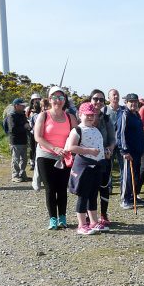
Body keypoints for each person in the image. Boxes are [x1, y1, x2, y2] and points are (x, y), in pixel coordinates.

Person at [34, 86, 78, 230]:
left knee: (62, 188)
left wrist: (67, 149)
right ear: (49, 99)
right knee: (50, 188)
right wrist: (54, 148)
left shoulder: (70, 117)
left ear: (65, 100)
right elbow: (38, 137)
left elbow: (76, 135)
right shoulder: (44, 116)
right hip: (45, 155)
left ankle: (63, 217)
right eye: (54, 98)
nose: (57, 101)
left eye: (61, 98)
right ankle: (53, 218)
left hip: (64, 156)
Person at [65, 102, 106, 235]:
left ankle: (93, 221)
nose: (90, 117)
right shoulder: (77, 130)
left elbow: (98, 146)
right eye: (87, 115)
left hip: (97, 165)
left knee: (93, 194)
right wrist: (88, 150)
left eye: (92, 115)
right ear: (80, 115)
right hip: (84, 165)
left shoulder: (96, 129)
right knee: (83, 195)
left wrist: (104, 153)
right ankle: (82, 224)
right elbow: (70, 147)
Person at [89, 89, 116, 225]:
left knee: (104, 187)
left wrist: (110, 149)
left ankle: (103, 214)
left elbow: (112, 139)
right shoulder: (83, 116)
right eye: (95, 99)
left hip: (104, 159)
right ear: (90, 100)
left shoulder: (106, 118)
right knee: (90, 188)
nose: (98, 102)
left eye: (101, 99)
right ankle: (89, 216)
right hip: (87, 159)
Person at [117, 93, 144, 210]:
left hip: (138, 151)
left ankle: (133, 197)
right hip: (128, 151)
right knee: (127, 176)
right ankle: (124, 199)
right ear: (126, 102)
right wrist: (124, 151)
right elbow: (120, 134)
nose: (133, 104)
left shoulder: (137, 115)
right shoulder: (124, 115)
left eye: (135, 102)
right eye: (131, 102)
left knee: (136, 175)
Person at [105, 88, 126, 186]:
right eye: (113, 95)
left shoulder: (124, 110)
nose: (116, 96)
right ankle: (108, 187)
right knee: (109, 166)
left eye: (117, 94)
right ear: (108, 97)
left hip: (121, 143)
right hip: (109, 143)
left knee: (123, 167)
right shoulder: (104, 110)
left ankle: (124, 187)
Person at [7, 98, 30, 182]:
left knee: (24, 159)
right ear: (16, 106)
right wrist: (24, 127)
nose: (24, 106)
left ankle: (22, 175)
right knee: (15, 159)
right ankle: (15, 175)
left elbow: (26, 125)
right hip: (15, 141)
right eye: (22, 105)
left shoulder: (22, 114)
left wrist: (28, 126)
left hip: (23, 140)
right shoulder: (11, 115)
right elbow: (12, 129)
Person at [26, 93, 42, 170]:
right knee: (32, 147)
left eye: (38, 99)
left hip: (39, 131)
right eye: (35, 99)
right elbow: (26, 119)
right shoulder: (28, 110)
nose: (36, 101)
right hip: (31, 131)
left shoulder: (42, 109)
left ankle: (37, 162)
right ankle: (32, 161)